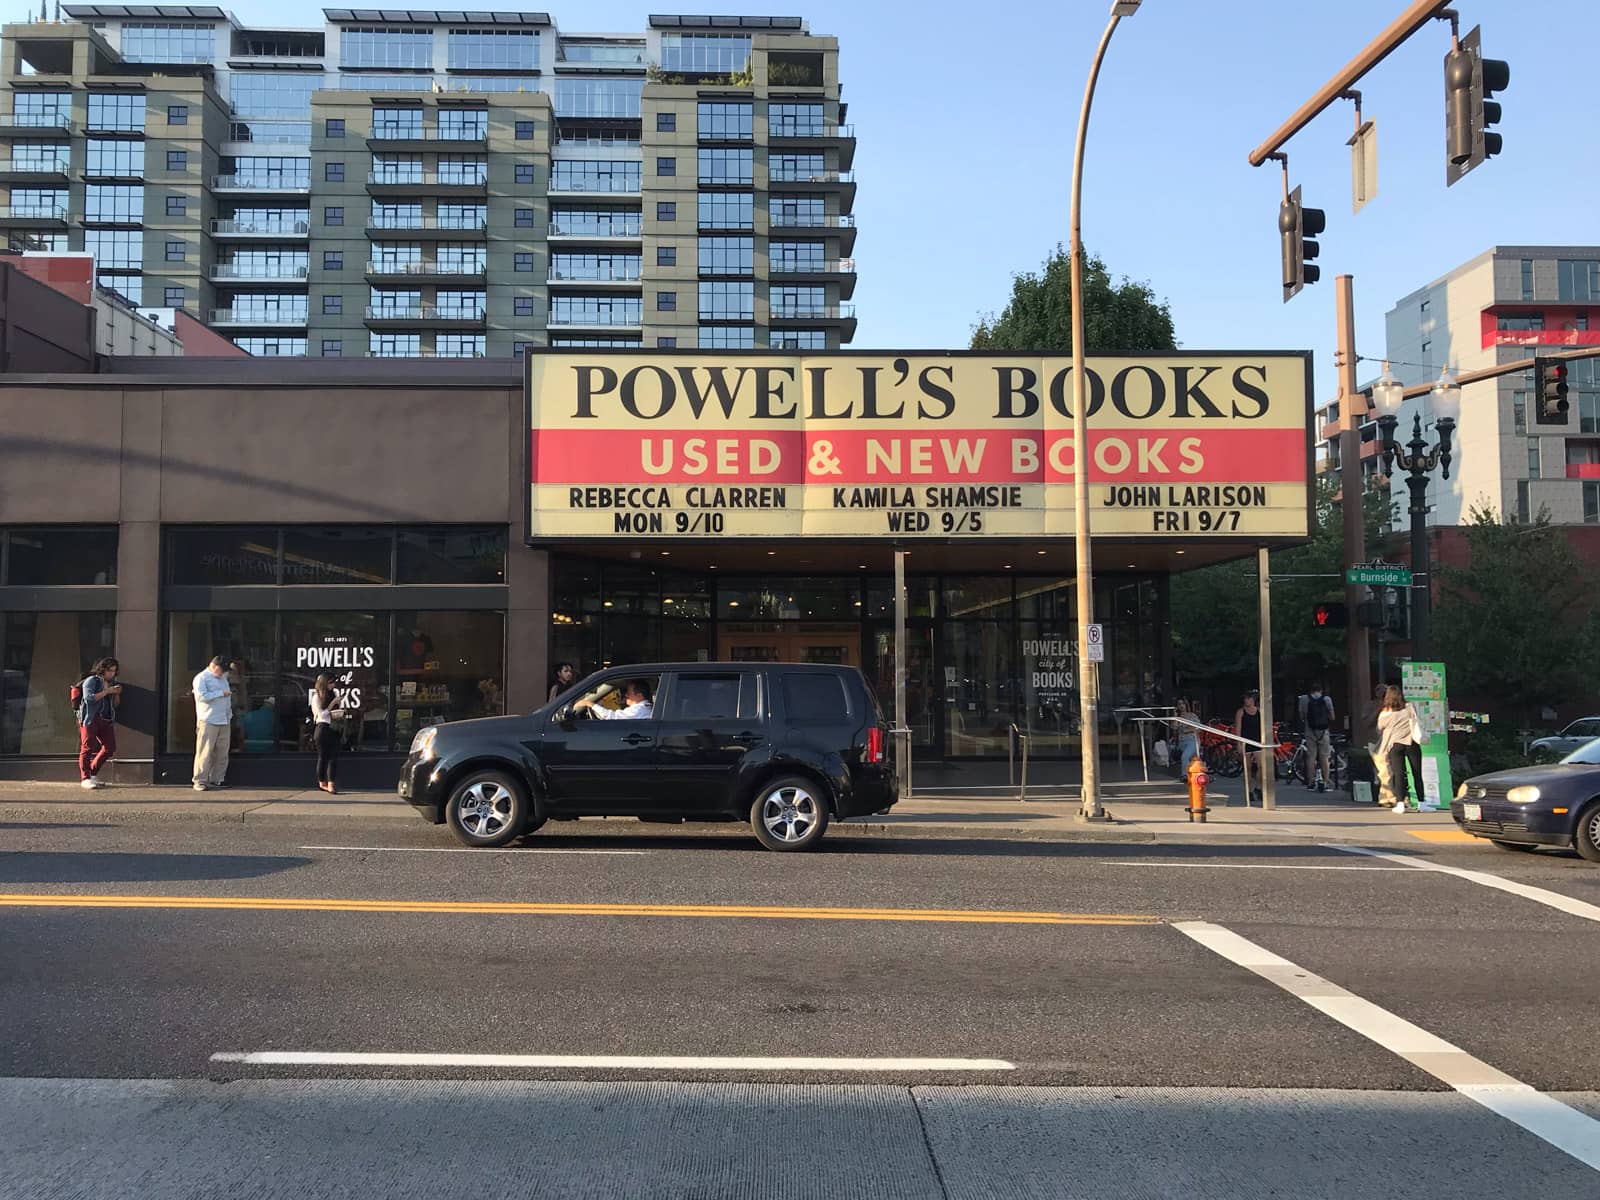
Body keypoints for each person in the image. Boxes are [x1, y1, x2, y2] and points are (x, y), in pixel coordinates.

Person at [1376, 685, 1426, 813]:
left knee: (1398, 775)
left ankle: (1400, 803)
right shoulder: (1409, 707)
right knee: (1417, 773)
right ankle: (1422, 803)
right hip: (1411, 743)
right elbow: (1416, 719)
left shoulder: (1385, 712)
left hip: (1395, 745)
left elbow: (1379, 728)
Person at [77, 657, 121, 789]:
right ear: (103, 670)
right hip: (90, 718)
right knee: (87, 747)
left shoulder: (112, 683)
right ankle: (85, 777)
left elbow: (115, 704)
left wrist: (117, 693)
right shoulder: (92, 681)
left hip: (106, 719)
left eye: (114, 671)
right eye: (110, 671)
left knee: (110, 747)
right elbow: (89, 698)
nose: (112, 674)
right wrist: (107, 691)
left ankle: (92, 773)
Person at [191, 655, 232, 792]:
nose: (223, 673)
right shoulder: (201, 678)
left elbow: (227, 698)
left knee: (222, 752)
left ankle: (217, 778)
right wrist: (220, 693)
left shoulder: (223, 678)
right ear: (214, 666)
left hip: (224, 719)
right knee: (205, 752)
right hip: (208, 719)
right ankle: (199, 780)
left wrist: (229, 714)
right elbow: (201, 696)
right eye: (222, 670)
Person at [309, 673, 345, 794]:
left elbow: (335, 711)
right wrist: (333, 703)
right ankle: (321, 782)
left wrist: (339, 708)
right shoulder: (317, 697)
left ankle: (331, 784)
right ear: (325, 683)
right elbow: (322, 714)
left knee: (333, 757)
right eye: (331, 683)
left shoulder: (333, 694)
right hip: (323, 728)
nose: (333, 685)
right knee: (323, 757)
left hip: (334, 727)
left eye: (333, 683)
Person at [1299, 682, 1336, 791]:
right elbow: (1332, 717)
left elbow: (1301, 716)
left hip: (1309, 730)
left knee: (1311, 757)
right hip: (1323, 731)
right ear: (1321, 690)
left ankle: (1310, 782)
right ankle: (1326, 781)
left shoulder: (1304, 699)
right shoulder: (1327, 699)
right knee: (1324, 757)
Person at [1233, 691, 1267, 806]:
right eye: (1245, 699)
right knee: (1247, 768)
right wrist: (1238, 743)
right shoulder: (1241, 712)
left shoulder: (1259, 711)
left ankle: (1259, 787)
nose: (1246, 701)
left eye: (1248, 698)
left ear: (1253, 699)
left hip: (1257, 741)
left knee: (1261, 766)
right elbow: (1238, 728)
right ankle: (1250, 790)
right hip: (1245, 742)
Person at [574, 678, 653, 720]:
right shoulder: (643, 708)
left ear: (639, 696)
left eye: (628, 693)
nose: (626, 695)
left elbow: (613, 717)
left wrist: (589, 703)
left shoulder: (639, 709)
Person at [1172, 699, 1201, 779]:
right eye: (1179, 704)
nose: (1181, 706)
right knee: (1190, 760)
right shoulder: (1178, 718)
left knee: (1185, 756)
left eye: (1183, 704)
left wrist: (1187, 730)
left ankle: (1185, 776)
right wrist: (1175, 716)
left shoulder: (1192, 715)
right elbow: (1174, 727)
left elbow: (1198, 728)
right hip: (1182, 742)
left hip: (1192, 740)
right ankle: (1193, 777)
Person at [228, 658, 251, 753]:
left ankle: (238, 747)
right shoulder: (232, 677)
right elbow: (234, 696)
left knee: (240, 729)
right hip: (234, 710)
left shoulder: (241, 677)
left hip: (239, 708)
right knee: (236, 729)